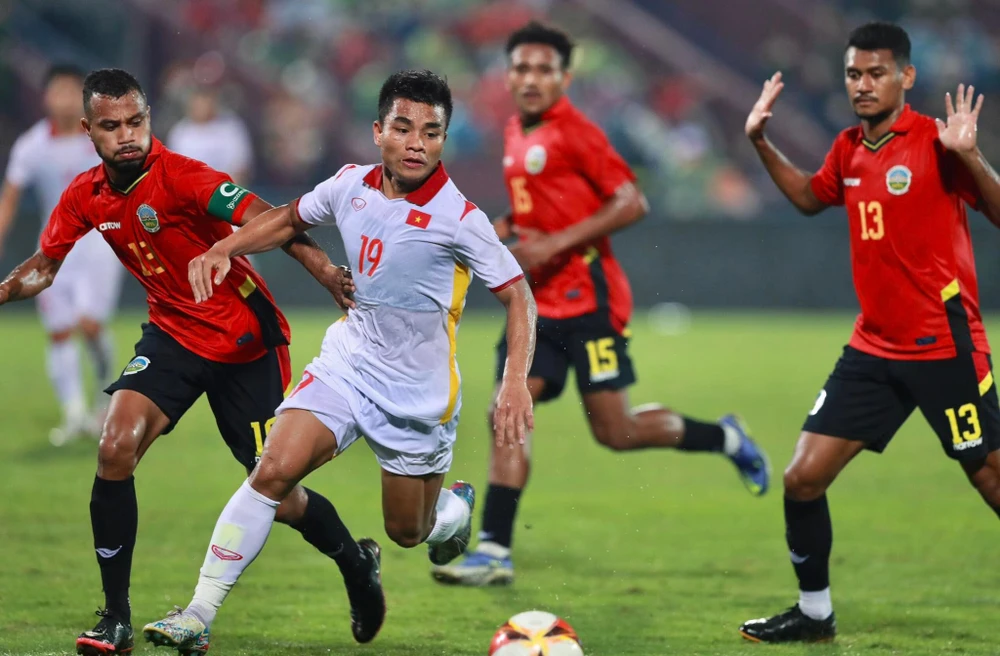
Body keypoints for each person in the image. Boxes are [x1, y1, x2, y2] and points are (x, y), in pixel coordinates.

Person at [141, 68, 536, 652]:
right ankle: (199, 612)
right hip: (348, 364)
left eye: (431, 132)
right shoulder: (349, 184)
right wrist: (224, 246)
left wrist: (514, 383)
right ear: (378, 132)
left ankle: (451, 513)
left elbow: (519, 296)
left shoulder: (461, 218)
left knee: (407, 531)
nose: (416, 144)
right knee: (272, 469)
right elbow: (286, 218)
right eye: (404, 128)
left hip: (417, 395)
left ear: (443, 141)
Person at [0, 68, 376, 656]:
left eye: (136, 122)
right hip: (172, 336)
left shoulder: (183, 177)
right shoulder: (85, 195)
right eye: (111, 126)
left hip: (243, 345)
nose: (127, 135)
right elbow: (45, 268)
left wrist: (326, 271)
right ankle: (115, 618)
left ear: (149, 118)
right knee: (114, 447)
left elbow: (267, 217)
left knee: (274, 489)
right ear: (87, 131)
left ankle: (354, 560)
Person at [431, 21, 770, 588]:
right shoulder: (515, 130)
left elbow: (631, 201)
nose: (531, 78)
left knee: (617, 433)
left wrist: (552, 244)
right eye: (521, 68)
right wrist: (508, 227)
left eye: (543, 69)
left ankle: (726, 437)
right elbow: (539, 209)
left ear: (564, 77)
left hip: (589, 301)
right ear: (508, 75)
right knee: (505, 412)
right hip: (537, 307)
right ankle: (494, 549)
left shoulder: (577, 132)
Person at [738, 22, 1000, 643]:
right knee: (802, 479)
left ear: (906, 77)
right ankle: (815, 615)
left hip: (945, 346)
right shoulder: (849, 147)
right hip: (873, 348)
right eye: (854, 73)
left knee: (989, 476)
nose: (862, 84)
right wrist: (760, 142)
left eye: (876, 72)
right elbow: (809, 197)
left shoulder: (937, 142)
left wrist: (970, 154)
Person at [0, 64, 124, 444]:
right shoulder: (32, 145)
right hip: (53, 246)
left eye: (73, 91)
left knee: (89, 324)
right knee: (59, 332)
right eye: (59, 91)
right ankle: (73, 414)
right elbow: (10, 198)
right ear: (47, 97)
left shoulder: (104, 137)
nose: (65, 99)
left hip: (100, 243)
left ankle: (106, 397)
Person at [166, 86, 253, 186]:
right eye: (198, 104)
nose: (202, 108)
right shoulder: (180, 132)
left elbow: (240, 168)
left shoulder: (231, 127)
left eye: (205, 103)